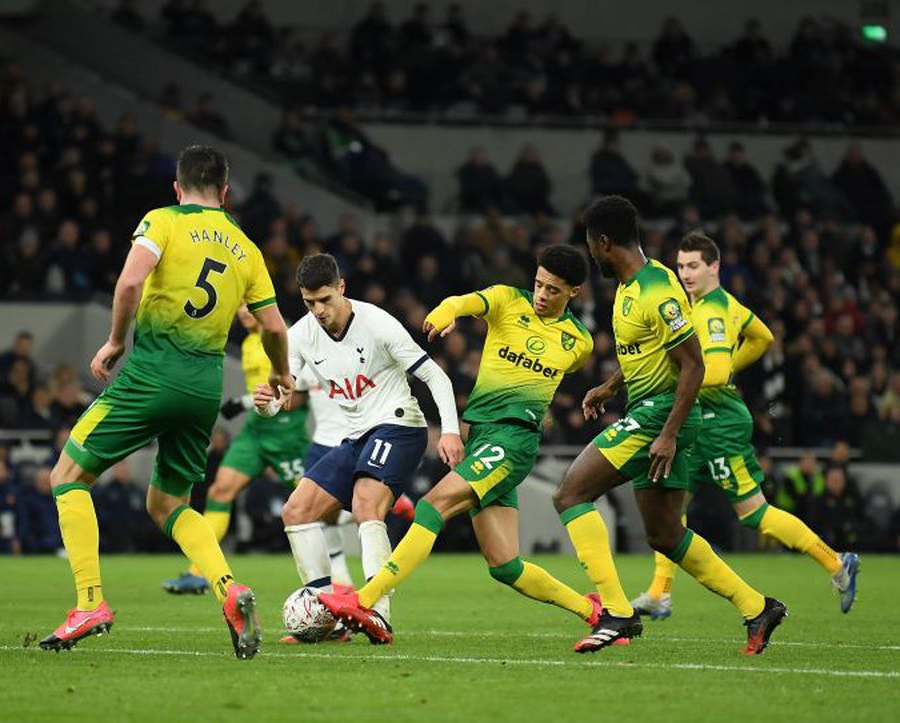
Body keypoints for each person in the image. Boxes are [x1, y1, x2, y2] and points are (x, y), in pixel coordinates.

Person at [37, 146, 290, 660]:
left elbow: (131, 280)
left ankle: (89, 602)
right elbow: (274, 326)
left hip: (152, 375)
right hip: (204, 391)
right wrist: (283, 375)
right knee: (170, 504)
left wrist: (113, 341)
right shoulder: (247, 248)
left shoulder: (163, 221)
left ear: (178, 189)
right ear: (225, 192)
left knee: (66, 476)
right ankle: (228, 589)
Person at [320, 245, 615, 645]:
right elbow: (466, 301)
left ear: (574, 292)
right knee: (504, 565)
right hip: (482, 438)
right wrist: (447, 311)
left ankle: (365, 600)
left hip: (513, 439)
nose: (542, 294)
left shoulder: (578, 342)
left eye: (553, 290)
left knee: (432, 506)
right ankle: (593, 611)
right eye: (539, 284)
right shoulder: (508, 300)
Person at [552, 196, 786, 654]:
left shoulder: (657, 291)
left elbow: (694, 365)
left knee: (570, 494)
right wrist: (611, 386)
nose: (591, 254)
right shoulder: (629, 286)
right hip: (649, 408)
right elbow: (652, 352)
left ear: (603, 242)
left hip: (661, 414)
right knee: (664, 533)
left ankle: (617, 613)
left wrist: (668, 434)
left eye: (590, 246)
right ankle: (758, 607)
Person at [631, 232, 859, 618]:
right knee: (670, 502)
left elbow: (716, 371)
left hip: (718, 422)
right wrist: (736, 361)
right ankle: (659, 592)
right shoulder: (721, 303)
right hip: (698, 418)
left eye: (693, 266)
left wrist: (691, 374)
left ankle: (837, 563)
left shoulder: (711, 311)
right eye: (681, 266)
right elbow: (763, 336)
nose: (685, 273)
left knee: (752, 512)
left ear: (714, 266)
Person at [265, 254, 463, 639]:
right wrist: (269, 403)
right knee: (296, 510)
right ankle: (324, 617)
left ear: (341, 288)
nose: (318, 310)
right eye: (309, 302)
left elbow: (437, 378)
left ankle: (377, 611)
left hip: (400, 425)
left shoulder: (378, 324)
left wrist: (451, 432)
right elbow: (283, 394)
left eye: (325, 300)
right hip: (355, 437)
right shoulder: (302, 335)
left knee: (364, 504)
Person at [162, 305, 311, 594]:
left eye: (249, 306)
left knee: (318, 503)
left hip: (286, 434)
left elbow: (302, 394)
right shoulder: (246, 342)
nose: (242, 312)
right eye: (239, 306)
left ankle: (372, 518)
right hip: (255, 431)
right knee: (220, 490)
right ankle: (199, 573)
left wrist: (243, 402)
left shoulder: (285, 336)